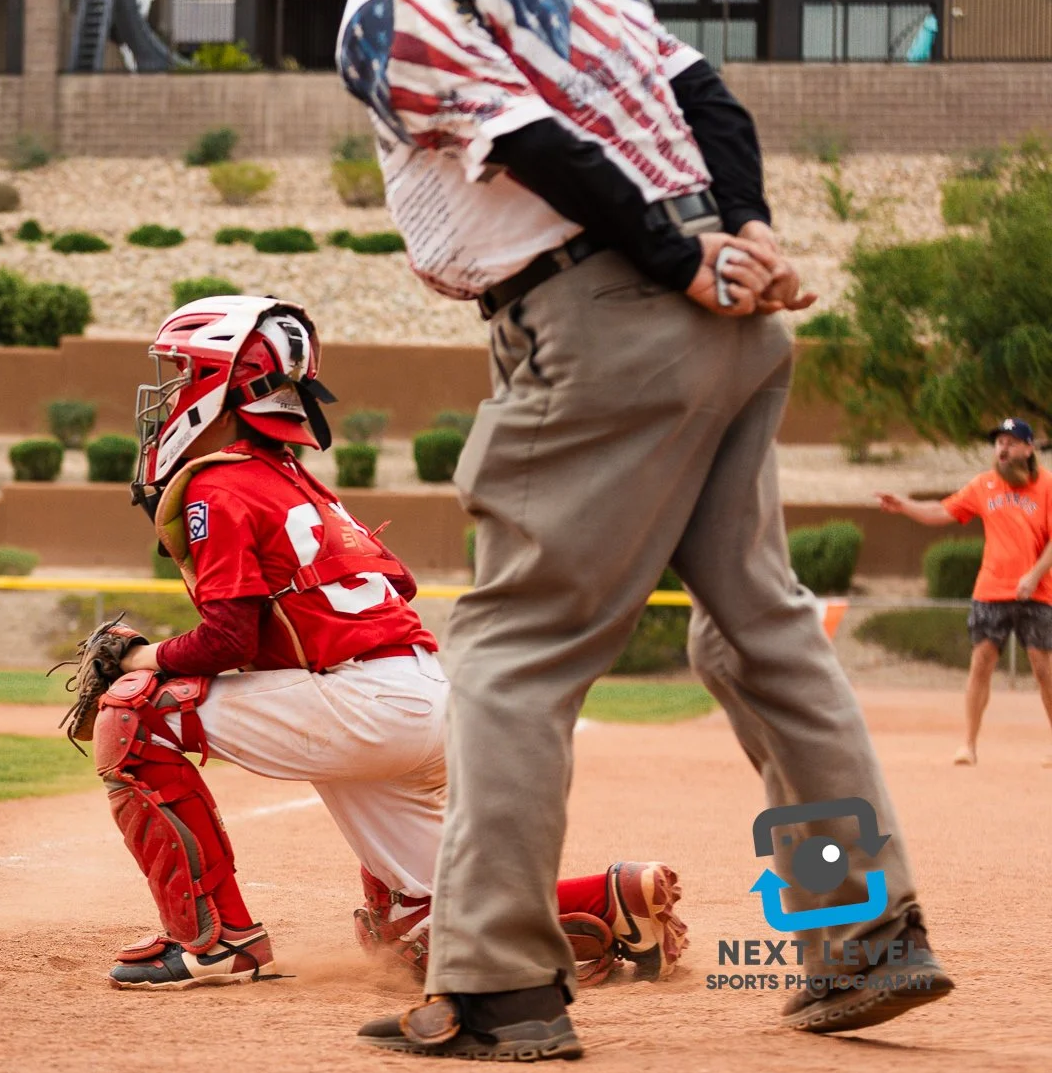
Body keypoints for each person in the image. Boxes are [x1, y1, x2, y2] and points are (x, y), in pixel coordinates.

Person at [260, 0, 950, 1056]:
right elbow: (708, 99)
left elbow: (529, 144)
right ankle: (863, 937)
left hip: (603, 322)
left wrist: (676, 260)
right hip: (722, 326)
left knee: (512, 652)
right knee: (762, 637)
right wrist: (738, 234)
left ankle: (496, 984)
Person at [70, 294, 687, 994]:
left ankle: (213, 941)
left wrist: (142, 657)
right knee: (414, 924)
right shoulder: (297, 480)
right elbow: (397, 584)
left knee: (135, 711)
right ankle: (615, 897)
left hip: (365, 704)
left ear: (223, 387)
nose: (171, 391)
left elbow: (229, 638)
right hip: (425, 697)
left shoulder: (219, 484)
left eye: (184, 373)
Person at [879, 416, 1052, 766]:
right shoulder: (983, 485)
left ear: (1028, 448)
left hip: (1036, 591)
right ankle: (968, 745)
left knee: (1042, 668)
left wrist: (1034, 575)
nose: (1003, 448)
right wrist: (905, 506)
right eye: (999, 442)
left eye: (1011, 442)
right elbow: (940, 510)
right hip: (991, 589)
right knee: (981, 663)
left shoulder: (1047, 486)